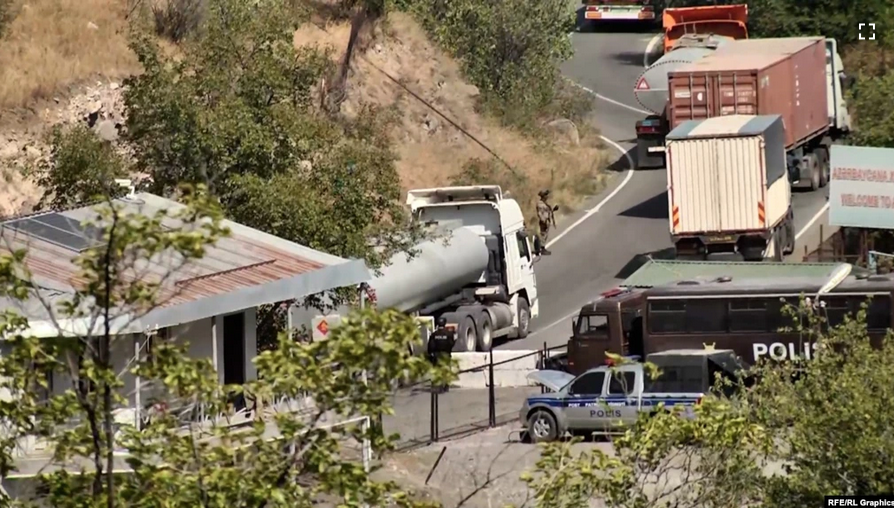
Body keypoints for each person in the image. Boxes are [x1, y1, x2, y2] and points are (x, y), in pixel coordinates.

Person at [427, 317, 456, 393]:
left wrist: (430, 354)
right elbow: (451, 344)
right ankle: (446, 386)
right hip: (446, 355)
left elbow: (430, 346)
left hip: (437, 355)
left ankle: (437, 385)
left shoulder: (434, 334)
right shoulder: (449, 334)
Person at [536, 189, 557, 255]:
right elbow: (539, 213)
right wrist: (543, 220)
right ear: (543, 196)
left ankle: (542, 247)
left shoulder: (545, 203)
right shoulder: (540, 204)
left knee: (545, 235)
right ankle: (542, 249)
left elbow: (548, 211)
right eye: (546, 195)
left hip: (547, 221)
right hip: (544, 222)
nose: (547, 196)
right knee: (543, 235)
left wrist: (554, 210)